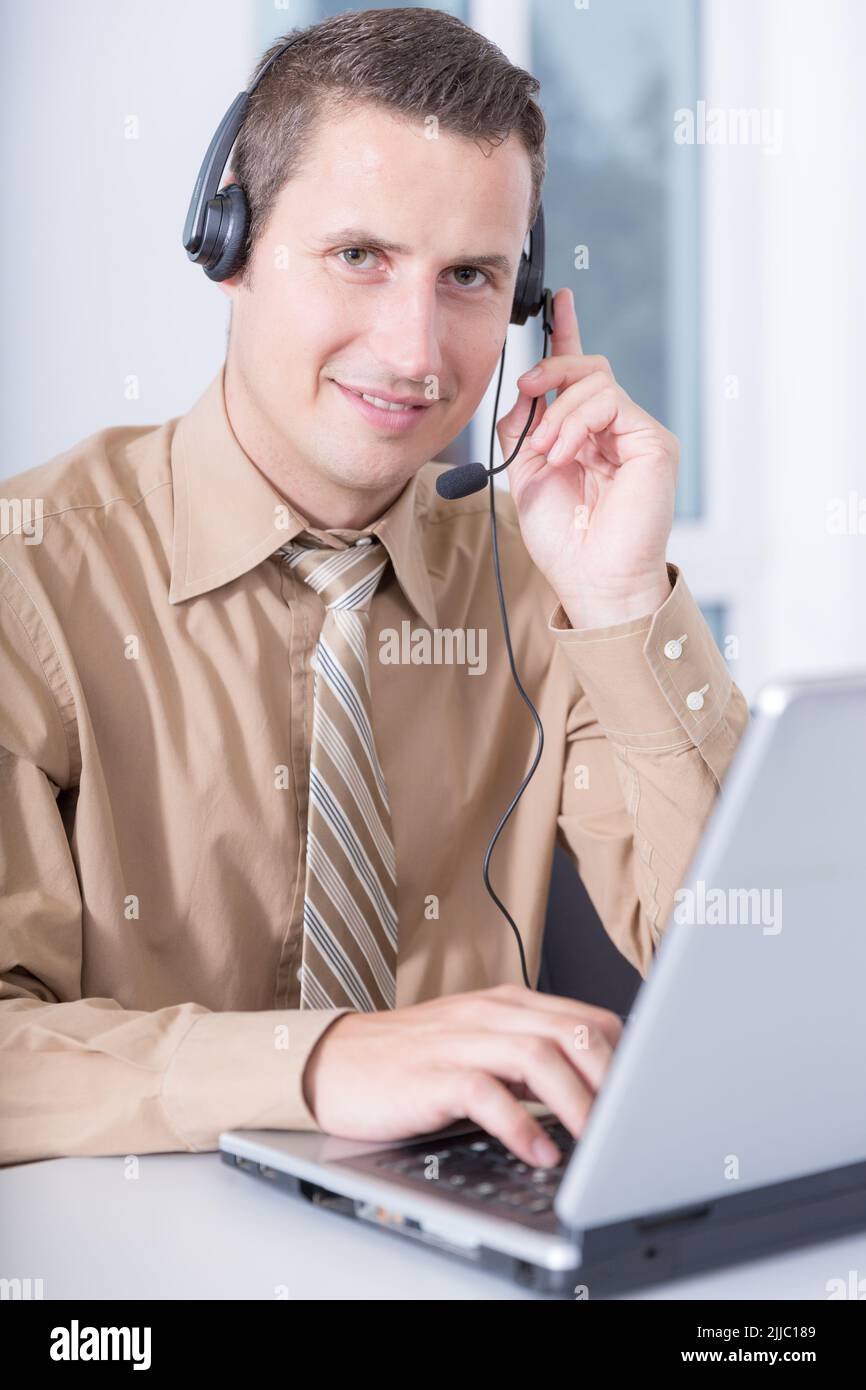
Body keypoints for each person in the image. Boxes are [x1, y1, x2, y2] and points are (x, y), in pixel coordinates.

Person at [0, 8, 748, 1169]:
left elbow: (749, 965)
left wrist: (620, 602)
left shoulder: (543, 577)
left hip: (455, 1237)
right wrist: (320, 1061)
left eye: (467, 277)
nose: (414, 348)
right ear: (228, 243)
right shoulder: (29, 571)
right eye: (359, 256)